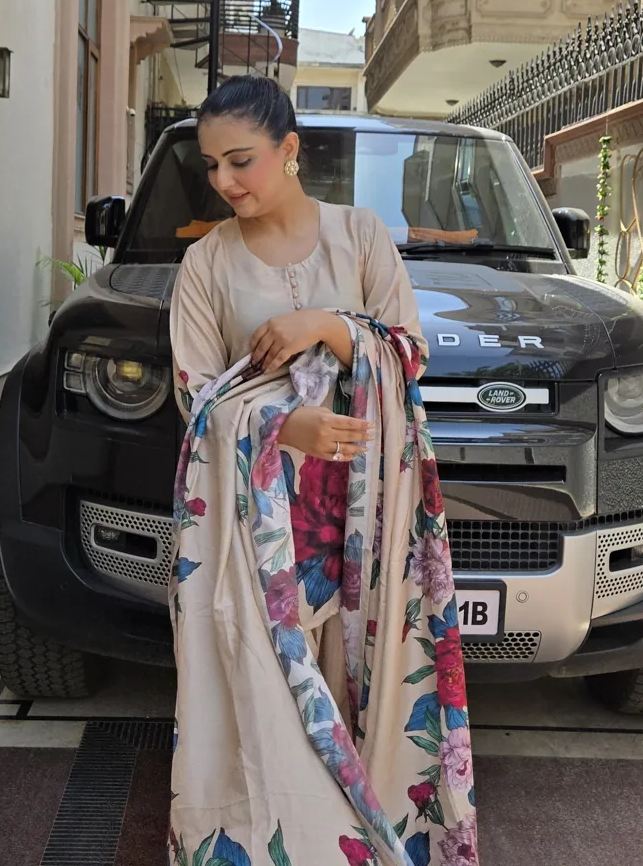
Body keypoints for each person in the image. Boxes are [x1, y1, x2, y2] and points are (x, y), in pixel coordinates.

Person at [169, 76, 477, 866]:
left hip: (366, 520)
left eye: (241, 160)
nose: (225, 181)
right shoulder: (206, 264)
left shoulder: (361, 236)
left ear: (290, 150)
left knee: (364, 691)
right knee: (266, 701)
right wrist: (283, 425)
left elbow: (408, 352)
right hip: (260, 532)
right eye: (212, 166)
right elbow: (196, 399)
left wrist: (328, 326)